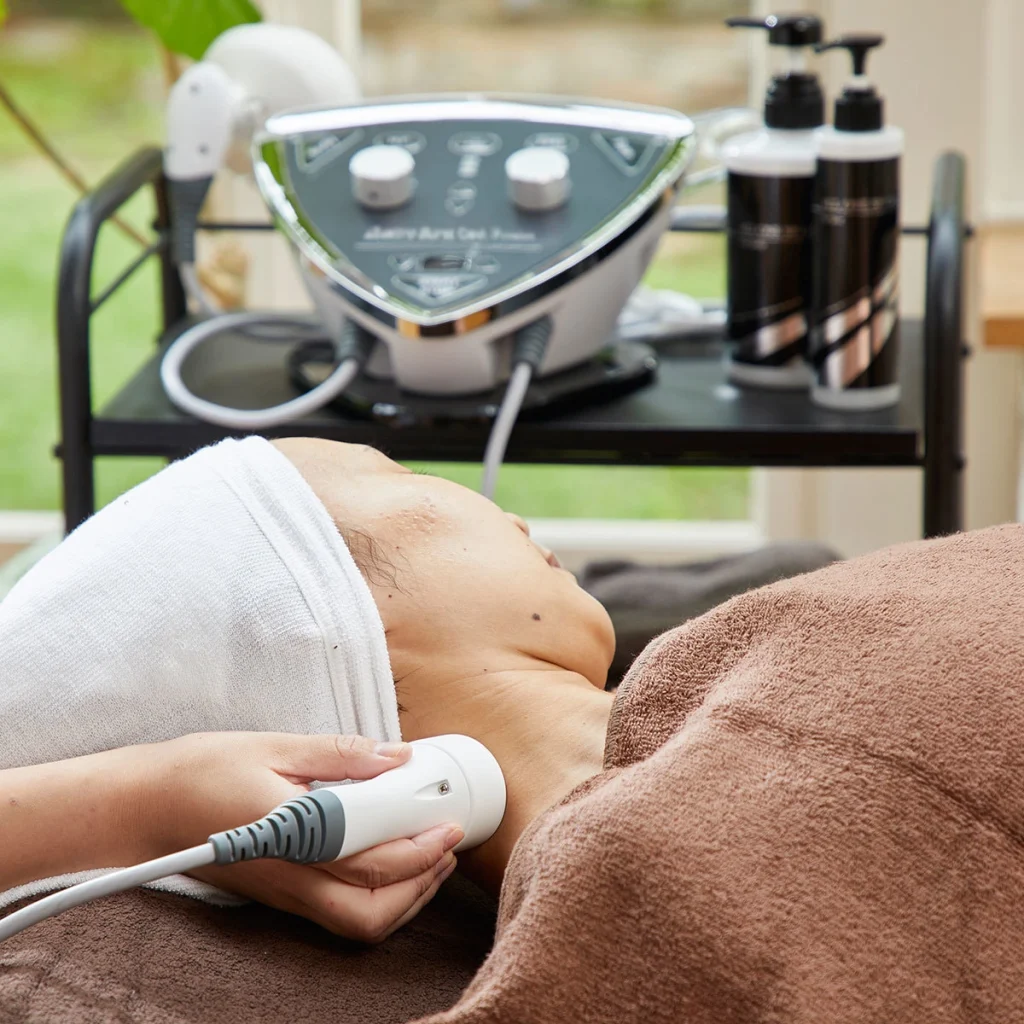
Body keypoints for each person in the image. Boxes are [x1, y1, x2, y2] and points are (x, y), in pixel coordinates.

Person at [0, 436, 616, 930]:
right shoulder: (623, 855)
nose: (512, 517)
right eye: (407, 478)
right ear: (331, 622)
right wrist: (152, 804)